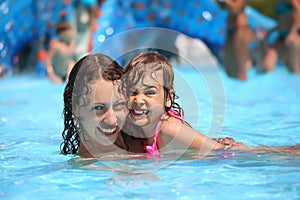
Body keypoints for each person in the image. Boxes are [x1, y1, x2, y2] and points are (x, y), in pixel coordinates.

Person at [121, 51, 300, 156]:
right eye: (133, 92)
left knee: (265, 153)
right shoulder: (131, 122)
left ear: (168, 98)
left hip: (224, 154)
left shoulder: (170, 130)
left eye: (150, 92)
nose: (139, 100)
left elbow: (218, 152)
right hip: (202, 145)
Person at [60, 53, 145, 157]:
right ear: (75, 108)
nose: (112, 120)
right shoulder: (88, 169)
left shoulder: (142, 134)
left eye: (119, 105)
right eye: (98, 108)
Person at [216, 0, 252, 81]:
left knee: (241, 70)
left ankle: (245, 86)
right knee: (230, 71)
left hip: (240, 29)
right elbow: (222, 8)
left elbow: (235, 9)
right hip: (230, 29)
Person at [262, 0, 300, 73]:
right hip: (282, 36)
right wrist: (270, 31)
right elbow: (282, 20)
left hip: (295, 36)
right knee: (267, 65)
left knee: (294, 69)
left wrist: (292, 32)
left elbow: (299, 12)